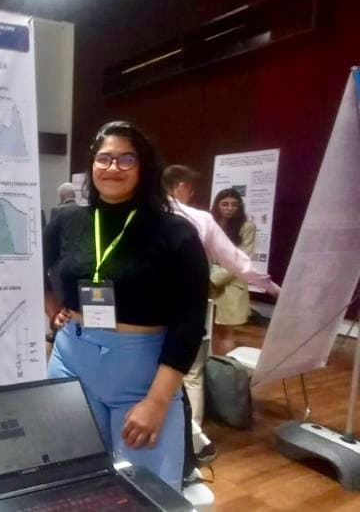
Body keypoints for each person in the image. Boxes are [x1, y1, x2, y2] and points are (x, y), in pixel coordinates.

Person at [43, 121, 209, 490]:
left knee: (145, 491)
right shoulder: (67, 220)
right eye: (104, 159)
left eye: (126, 159)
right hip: (71, 361)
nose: (113, 167)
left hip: (142, 378)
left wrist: (157, 402)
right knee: (73, 483)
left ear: (143, 166)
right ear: (92, 165)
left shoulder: (175, 233)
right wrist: (53, 311)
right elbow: (32, 267)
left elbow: (189, 323)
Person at [163, 165, 279, 424]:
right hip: (189, 306)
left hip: (148, 311)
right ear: (182, 186)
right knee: (191, 373)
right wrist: (271, 287)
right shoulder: (200, 219)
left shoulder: (141, 214)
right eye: (190, 190)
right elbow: (238, 262)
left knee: (152, 373)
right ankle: (193, 436)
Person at [210, 187, 256, 355]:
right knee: (209, 330)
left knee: (225, 332)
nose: (229, 208)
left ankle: (224, 367)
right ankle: (211, 364)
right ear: (217, 205)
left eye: (234, 205)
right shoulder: (210, 223)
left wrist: (213, 279)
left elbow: (241, 259)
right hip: (207, 281)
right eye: (225, 204)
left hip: (230, 284)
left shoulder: (247, 227)